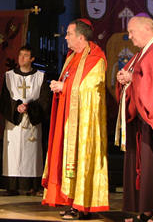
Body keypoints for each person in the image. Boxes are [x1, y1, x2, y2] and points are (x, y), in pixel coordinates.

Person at [42, 19, 109, 220]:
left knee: (81, 160)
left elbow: (90, 90)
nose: (65, 37)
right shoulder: (72, 57)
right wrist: (59, 85)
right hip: (68, 119)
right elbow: (70, 81)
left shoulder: (95, 58)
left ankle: (84, 205)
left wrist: (65, 88)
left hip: (84, 125)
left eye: (69, 34)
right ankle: (72, 203)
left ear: (80, 37)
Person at [115, 14, 153, 222]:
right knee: (141, 165)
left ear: (146, 29)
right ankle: (145, 210)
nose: (129, 37)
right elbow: (136, 76)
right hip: (142, 119)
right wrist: (123, 78)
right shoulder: (142, 53)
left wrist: (133, 79)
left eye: (132, 32)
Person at [0, 45, 50, 196]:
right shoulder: (9, 76)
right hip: (14, 121)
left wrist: (31, 107)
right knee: (13, 152)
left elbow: (45, 100)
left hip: (32, 121)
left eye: (26, 56)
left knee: (32, 154)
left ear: (32, 59)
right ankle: (11, 185)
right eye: (20, 55)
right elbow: (4, 100)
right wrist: (16, 107)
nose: (21, 58)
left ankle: (33, 186)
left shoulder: (40, 77)